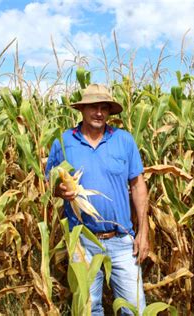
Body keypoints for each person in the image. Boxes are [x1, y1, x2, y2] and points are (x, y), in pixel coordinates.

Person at [45, 84, 149, 315]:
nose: (99, 112)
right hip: (81, 241)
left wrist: (143, 231)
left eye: (104, 108)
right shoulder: (64, 142)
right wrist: (60, 190)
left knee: (136, 309)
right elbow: (49, 184)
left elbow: (138, 185)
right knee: (88, 308)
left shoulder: (123, 140)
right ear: (82, 109)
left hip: (122, 240)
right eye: (93, 107)